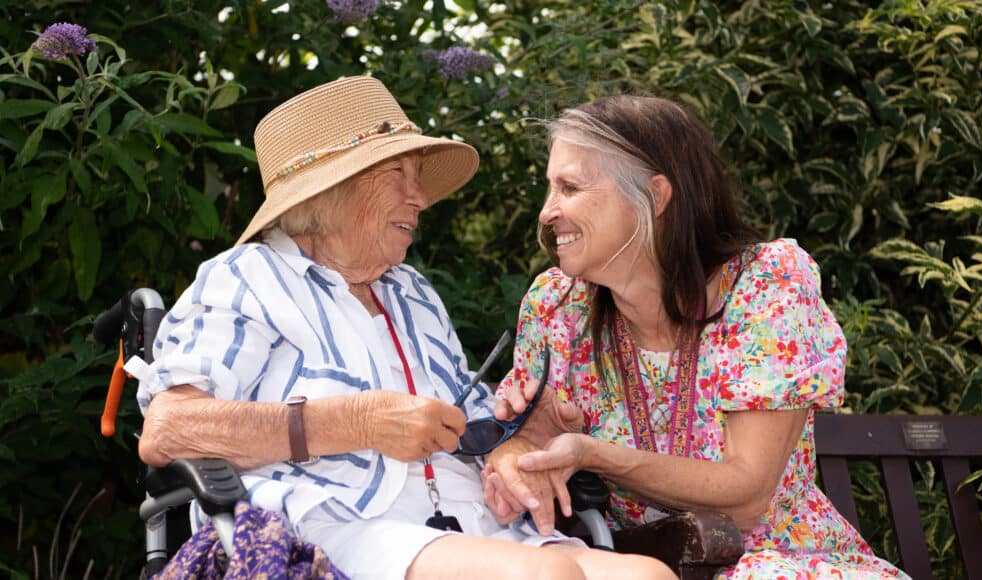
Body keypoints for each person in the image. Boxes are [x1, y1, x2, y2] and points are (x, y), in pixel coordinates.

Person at [123, 76, 674, 580]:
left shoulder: (412, 292)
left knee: (648, 576)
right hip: (336, 525)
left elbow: (467, 419)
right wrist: (354, 422)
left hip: (472, 522)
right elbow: (169, 429)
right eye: (398, 176)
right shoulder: (247, 276)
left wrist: (515, 441)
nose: (420, 198)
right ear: (328, 190)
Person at [481, 95, 910, 578]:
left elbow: (748, 495)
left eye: (570, 187)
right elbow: (516, 444)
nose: (546, 212)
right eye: (549, 188)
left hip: (790, 563)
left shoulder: (765, 286)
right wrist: (521, 452)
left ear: (655, 196)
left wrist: (594, 453)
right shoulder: (556, 307)